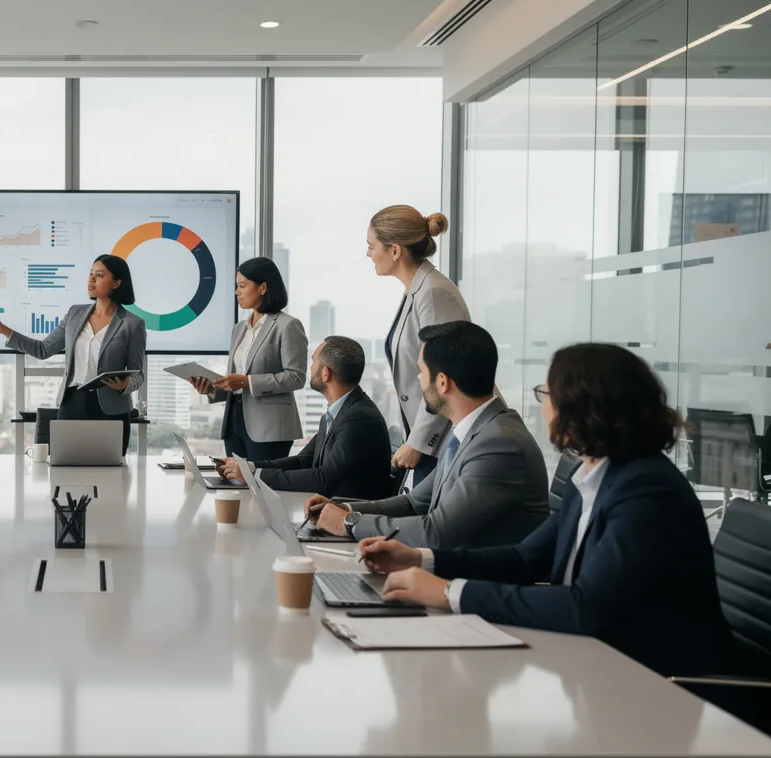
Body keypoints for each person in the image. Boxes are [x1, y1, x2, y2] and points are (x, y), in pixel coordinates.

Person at [360, 343, 730, 677]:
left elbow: (586, 607)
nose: (542, 405)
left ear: (581, 406)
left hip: (660, 686)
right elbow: (526, 559)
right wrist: (421, 560)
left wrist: (447, 593)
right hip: (597, 665)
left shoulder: (648, 490)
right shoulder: (597, 473)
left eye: (547, 393)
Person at [305, 321, 547, 548]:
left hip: (477, 582)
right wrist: (344, 508)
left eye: (421, 372)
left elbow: (436, 532)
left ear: (442, 382)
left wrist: (349, 523)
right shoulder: (468, 432)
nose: (419, 382)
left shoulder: (499, 444)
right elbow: (415, 502)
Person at [0, 254, 146, 454]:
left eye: (99, 275)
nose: (91, 279)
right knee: (66, 472)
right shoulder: (75, 314)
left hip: (112, 408)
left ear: (116, 283)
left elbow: (138, 375)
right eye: (90, 273)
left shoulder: (133, 324)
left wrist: (125, 385)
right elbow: (43, 349)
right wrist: (3, 330)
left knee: (113, 476)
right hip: (72, 403)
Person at [369, 205, 470, 486]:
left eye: (371, 245)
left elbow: (444, 376)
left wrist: (418, 441)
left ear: (396, 250)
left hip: (445, 438)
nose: (368, 253)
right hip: (432, 440)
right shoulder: (418, 289)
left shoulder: (434, 292)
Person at [219, 335, 391, 498]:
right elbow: (302, 461)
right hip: (329, 505)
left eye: (314, 361)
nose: (310, 367)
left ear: (326, 373)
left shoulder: (358, 419)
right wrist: (250, 467)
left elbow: (324, 479)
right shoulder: (340, 411)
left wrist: (254, 474)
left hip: (348, 514)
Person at [187, 257, 307, 461]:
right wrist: (211, 390)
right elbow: (234, 382)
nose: (237, 292)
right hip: (234, 424)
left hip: (269, 428)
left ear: (263, 287)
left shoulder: (288, 325)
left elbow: (296, 377)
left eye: (242, 286)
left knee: (261, 488)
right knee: (236, 486)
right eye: (236, 286)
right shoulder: (239, 329)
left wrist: (247, 381)